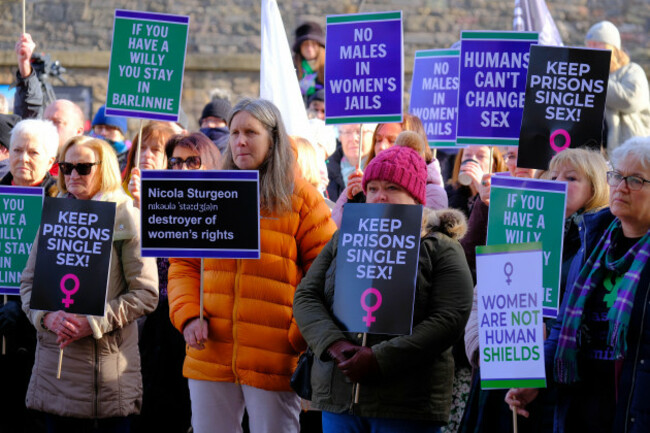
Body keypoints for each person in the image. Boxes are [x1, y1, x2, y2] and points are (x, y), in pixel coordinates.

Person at [167, 98, 336, 433]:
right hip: (210, 351)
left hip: (273, 356)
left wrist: (296, 334)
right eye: (234, 133)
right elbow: (184, 264)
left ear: (272, 138)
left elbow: (326, 273)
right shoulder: (209, 192)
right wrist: (188, 315)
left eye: (250, 132)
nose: (240, 141)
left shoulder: (302, 200)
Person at [294, 145, 474, 433]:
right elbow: (306, 296)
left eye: (392, 187)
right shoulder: (343, 239)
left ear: (416, 197)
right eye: (373, 187)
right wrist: (334, 346)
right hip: (340, 398)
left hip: (405, 406)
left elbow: (450, 318)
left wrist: (379, 360)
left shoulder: (441, 248)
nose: (380, 196)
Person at [506, 137, 650, 432]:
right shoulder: (593, 240)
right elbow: (563, 326)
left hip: (633, 410)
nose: (621, 187)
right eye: (618, 176)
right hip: (579, 409)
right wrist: (537, 380)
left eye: (635, 180)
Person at [461, 148, 610, 433]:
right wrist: (481, 346)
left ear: (596, 187)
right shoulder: (518, 227)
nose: (558, 182)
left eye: (571, 177)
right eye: (553, 176)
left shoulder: (597, 243)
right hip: (504, 367)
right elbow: (485, 294)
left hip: (557, 382)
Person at [19, 135, 158, 432]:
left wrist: (93, 323)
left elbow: (146, 294)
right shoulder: (52, 217)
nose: (72, 175)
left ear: (104, 168)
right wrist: (46, 317)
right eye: (66, 167)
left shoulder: (127, 218)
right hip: (53, 376)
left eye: (83, 168)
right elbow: (28, 285)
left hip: (105, 384)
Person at [121, 124, 192, 433]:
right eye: (143, 148)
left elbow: (168, 264)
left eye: (156, 150)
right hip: (126, 321)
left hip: (168, 323)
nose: (147, 156)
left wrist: (146, 208)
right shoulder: (115, 197)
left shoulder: (182, 201)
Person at [332, 115, 447, 226]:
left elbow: (413, 235)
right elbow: (334, 232)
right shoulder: (361, 182)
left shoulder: (433, 192)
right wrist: (356, 199)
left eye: (392, 140)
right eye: (378, 139)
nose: (381, 146)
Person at [585, 21, 650, 152]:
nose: (591, 49)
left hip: (628, 152)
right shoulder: (587, 76)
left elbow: (630, 100)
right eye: (589, 45)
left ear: (612, 48)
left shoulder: (632, 71)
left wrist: (593, 80)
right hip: (597, 153)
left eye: (596, 44)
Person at [0, 118, 59, 195]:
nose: (23, 158)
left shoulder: (61, 197)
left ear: (50, 162)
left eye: (34, 153)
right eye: (17, 150)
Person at [445, 146, 506, 218]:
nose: (472, 160)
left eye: (481, 156)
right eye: (467, 155)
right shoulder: (450, 192)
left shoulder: (502, 194)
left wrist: (482, 188)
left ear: (494, 165)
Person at [292, 21, 326, 102]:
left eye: (313, 44)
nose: (309, 48)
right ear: (299, 48)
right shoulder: (291, 69)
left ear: (319, 46)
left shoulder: (328, 68)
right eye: (305, 44)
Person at [90, 105, 130, 172]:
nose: (103, 133)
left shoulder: (132, 158)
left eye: (109, 128)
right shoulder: (85, 153)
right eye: (99, 127)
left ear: (121, 133)